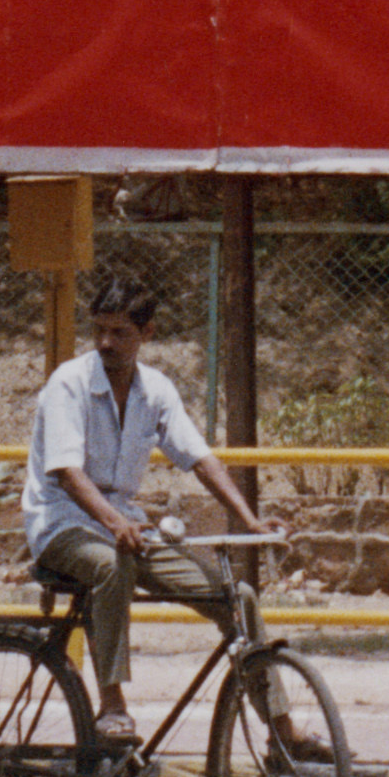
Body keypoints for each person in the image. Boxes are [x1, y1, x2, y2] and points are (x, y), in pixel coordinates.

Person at [23, 268, 265, 737]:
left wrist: (249, 519)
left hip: (125, 528)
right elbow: (68, 475)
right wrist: (114, 523)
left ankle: (281, 728)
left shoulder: (155, 390)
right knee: (114, 564)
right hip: (61, 524)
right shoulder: (68, 383)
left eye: (120, 332)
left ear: (147, 334)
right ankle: (112, 706)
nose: (107, 342)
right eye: (100, 330)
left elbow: (198, 458)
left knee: (239, 598)